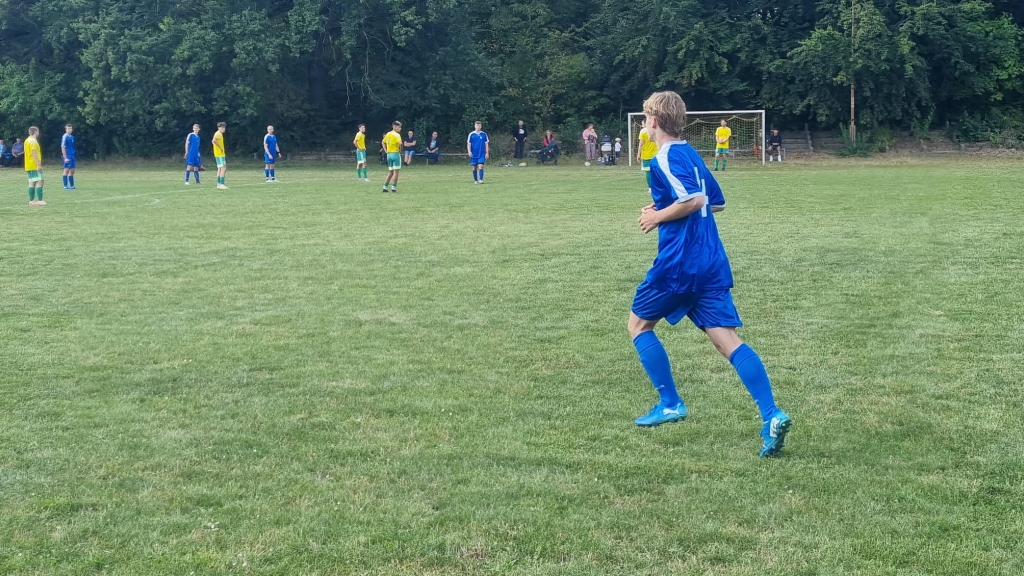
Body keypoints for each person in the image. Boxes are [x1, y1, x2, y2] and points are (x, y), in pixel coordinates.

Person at [629, 90, 791, 457]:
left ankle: (670, 404)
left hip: (679, 263)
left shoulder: (664, 156)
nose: (644, 124)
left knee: (638, 325)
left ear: (653, 121)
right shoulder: (690, 154)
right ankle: (772, 415)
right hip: (710, 259)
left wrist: (657, 216)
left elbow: (696, 201)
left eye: (645, 118)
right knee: (726, 340)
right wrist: (664, 204)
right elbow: (717, 201)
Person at [25, 126, 45, 206]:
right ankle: (40, 201)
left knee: (31, 182)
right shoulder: (33, 141)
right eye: (38, 131)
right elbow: (33, 153)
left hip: (28, 165)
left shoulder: (27, 140)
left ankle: (31, 201)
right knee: (40, 181)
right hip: (34, 165)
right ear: (36, 132)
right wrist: (38, 165)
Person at [381, 121, 403, 193]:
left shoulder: (388, 134)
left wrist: (386, 150)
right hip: (395, 154)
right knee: (396, 172)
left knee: (390, 172)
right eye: (399, 127)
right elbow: (400, 143)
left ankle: (385, 187)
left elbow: (383, 142)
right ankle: (393, 187)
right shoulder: (397, 135)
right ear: (395, 127)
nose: (400, 128)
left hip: (389, 154)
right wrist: (400, 150)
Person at [636, 122, 659, 191]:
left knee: (648, 171)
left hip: (647, 154)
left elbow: (641, 144)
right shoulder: (656, 129)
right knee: (657, 171)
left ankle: (650, 188)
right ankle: (658, 186)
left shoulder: (643, 131)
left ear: (646, 123)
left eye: (643, 124)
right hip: (657, 154)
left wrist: (638, 154)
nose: (642, 125)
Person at [213, 122, 228, 189]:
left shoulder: (218, 133)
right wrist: (221, 148)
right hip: (219, 154)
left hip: (218, 154)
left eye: (224, 127)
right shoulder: (218, 134)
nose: (223, 129)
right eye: (222, 127)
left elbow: (212, 141)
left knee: (220, 168)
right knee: (223, 168)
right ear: (219, 128)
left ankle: (218, 184)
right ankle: (221, 184)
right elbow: (214, 140)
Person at [61, 124, 77, 190]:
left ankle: (72, 186)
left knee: (72, 171)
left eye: (71, 128)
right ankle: (65, 186)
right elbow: (63, 147)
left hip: (72, 155)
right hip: (68, 155)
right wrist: (65, 158)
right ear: (66, 129)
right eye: (68, 128)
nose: (70, 130)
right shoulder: (65, 136)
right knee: (66, 170)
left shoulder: (72, 137)